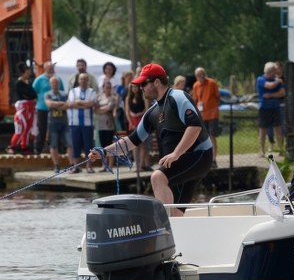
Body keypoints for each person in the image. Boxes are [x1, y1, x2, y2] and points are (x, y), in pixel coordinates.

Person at [91, 63, 213, 216]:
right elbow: (131, 141)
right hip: (177, 162)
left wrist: (176, 154)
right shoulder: (152, 113)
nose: (141, 88)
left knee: (157, 177)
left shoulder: (177, 97)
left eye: (144, 83)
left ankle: (164, 228)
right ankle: (175, 236)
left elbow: (195, 127)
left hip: (199, 155)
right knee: (175, 212)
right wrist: (103, 152)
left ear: (156, 82)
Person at [66, 72, 97, 173]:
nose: (83, 81)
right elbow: (71, 103)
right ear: (78, 80)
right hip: (74, 123)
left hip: (88, 123)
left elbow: (92, 103)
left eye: (85, 79)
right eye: (81, 79)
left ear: (88, 80)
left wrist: (79, 102)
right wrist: (85, 104)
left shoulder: (92, 91)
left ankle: (89, 166)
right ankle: (76, 166)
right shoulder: (73, 91)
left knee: (89, 146)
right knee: (76, 145)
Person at [31, 61, 62, 154]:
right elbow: (33, 92)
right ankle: (38, 149)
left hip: (56, 108)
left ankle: (58, 149)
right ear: (45, 69)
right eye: (49, 69)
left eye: (52, 68)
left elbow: (63, 91)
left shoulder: (58, 79)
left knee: (56, 128)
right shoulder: (39, 79)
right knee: (42, 129)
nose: (51, 70)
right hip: (42, 108)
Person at [7, 63, 37, 154]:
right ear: (22, 73)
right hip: (23, 107)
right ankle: (13, 146)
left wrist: (32, 97)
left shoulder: (29, 82)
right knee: (21, 127)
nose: (29, 74)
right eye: (27, 72)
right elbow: (26, 95)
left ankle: (25, 146)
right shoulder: (18, 83)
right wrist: (31, 97)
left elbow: (32, 94)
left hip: (31, 106)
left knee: (28, 127)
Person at [257, 62, 285, 157]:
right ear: (270, 71)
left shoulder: (275, 79)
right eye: (274, 71)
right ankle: (262, 151)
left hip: (275, 108)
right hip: (264, 109)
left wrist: (270, 95)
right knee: (263, 130)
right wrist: (278, 81)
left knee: (278, 129)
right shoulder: (260, 79)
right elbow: (269, 85)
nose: (275, 73)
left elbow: (282, 93)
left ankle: (281, 150)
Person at [191, 66, 220, 160]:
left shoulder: (212, 83)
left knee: (212, 136)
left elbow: (217, 96)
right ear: (196, 76)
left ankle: (214, 158)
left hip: (212, 114)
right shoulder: (195, 85)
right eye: (198, 75)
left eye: (202, 73)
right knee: (204, 137)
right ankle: (206, 158)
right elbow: (195, 100)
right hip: (202, 115)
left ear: (205, 73)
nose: (201, 76)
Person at [44, 77, 70, 172]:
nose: (55, 84)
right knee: (53, 145)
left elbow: (68, 105)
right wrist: (61, 104)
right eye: (53, 83)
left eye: (56, 82)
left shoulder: (64, 94)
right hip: (52, 122)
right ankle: (56, 165)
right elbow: (49, 105)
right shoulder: (48, 94)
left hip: (64, 122)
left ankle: (72, 164)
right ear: (50, 84)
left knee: (69, 143)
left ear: (59, 84)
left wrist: (56, 104)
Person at [125, 81, 150, 169]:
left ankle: (142, 164)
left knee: (143, 143)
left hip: (141, 120)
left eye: (136, 87)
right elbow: (127, 111)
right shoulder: (128, 98)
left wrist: (139, 114)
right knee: (134, 144)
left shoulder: (143, 96)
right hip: (132, 122)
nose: (135, 89)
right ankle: (136, 164)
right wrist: (131, 122)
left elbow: (147, 109)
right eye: (133, 87)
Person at [94, 78, 118, 170]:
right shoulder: (99, 97)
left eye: (109, 87)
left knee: (109, 145)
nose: (107, 89)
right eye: (106, 87)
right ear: (103, 88)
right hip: (101, 125)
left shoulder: (112, 98)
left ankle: (110, 165)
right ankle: (104, 165)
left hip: (109, 125)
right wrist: (101, 109)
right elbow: (95, 110)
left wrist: (100, 109)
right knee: (102, 146)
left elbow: (109, 107)